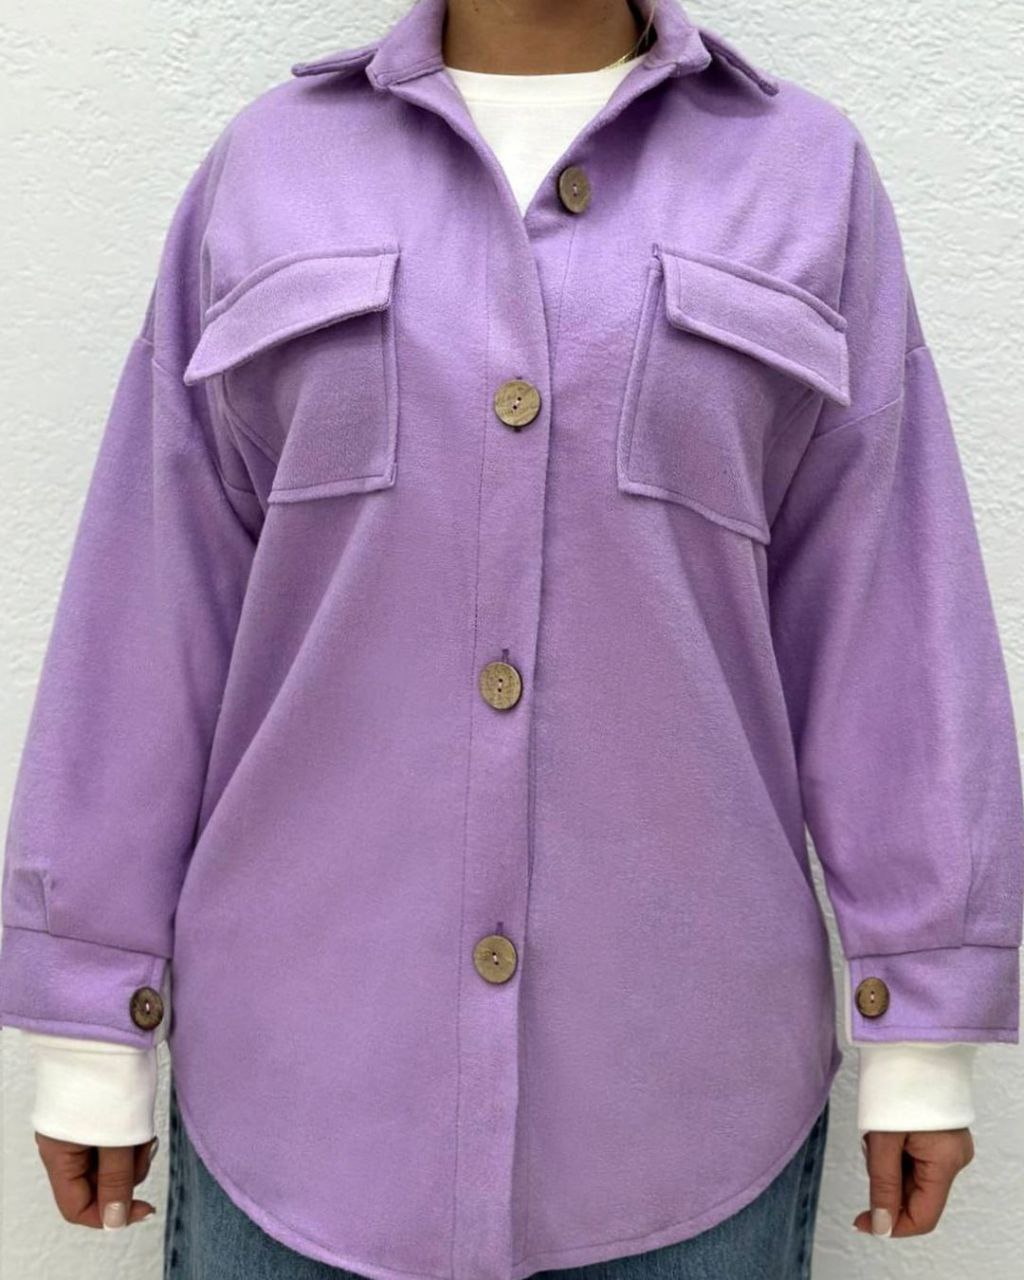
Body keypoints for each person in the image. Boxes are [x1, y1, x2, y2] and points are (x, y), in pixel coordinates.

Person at [1, 0, 1021, 1276]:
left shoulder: (806, 176)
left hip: (683, 1105)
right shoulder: (265, 171)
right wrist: (92, 1019)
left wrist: (920, 1026)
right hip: (302, 1091)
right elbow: (153, 602)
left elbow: (885, 607)